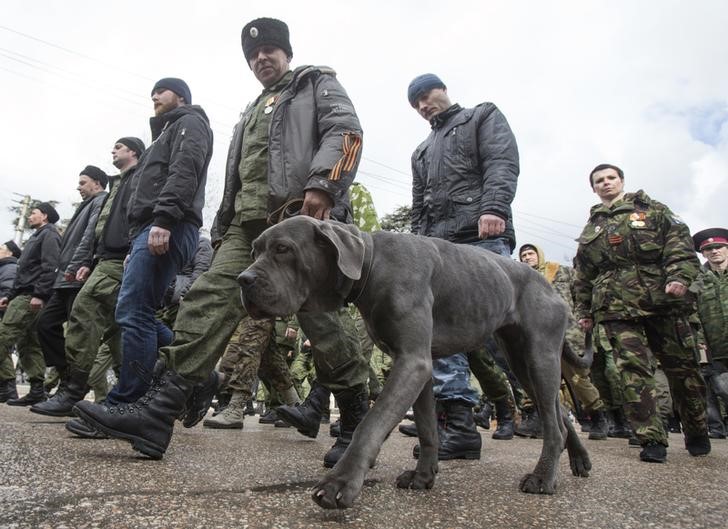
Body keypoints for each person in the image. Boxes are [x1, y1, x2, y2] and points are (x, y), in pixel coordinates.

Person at [75, 18, 369, 467]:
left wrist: (324, 185)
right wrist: (223, 223)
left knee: (319, 318)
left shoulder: (314, 83)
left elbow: (346, 132)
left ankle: (354, 418)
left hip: (300, 219)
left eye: (269, 49)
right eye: (253, 55)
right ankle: (158, 415)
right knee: (206, 301)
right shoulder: (250, 110)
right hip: (246, 229)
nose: (260, 58)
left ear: (285, 53)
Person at [407, 73, 519, 459]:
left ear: (443, 89)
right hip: (440, 250)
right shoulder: (421, 151)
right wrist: (416, 247)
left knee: (508, 330)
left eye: (426, 95)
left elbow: (501, 162)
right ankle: (459, 425)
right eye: (416, 103)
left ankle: (539, 407)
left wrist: (494, 207)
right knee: (438, 334)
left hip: (483, 236)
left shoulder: (480, 117)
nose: (424, 105)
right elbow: (419, 204)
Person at [573, 163, 710, 463]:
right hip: (615, 308)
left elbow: (680, 246)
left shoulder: (654, 211)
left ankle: (697, 429)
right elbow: (583, 274)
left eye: (611, 178)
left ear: (621, 181)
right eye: (599, 181)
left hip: (662, 301)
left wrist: (679, 277)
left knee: (682, 369)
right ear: (593, 187)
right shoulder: (591, 228)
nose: (606, 183)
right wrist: (584, 309)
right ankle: (651, 438)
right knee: (632, 373)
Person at [30, 139, 144, 426]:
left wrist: (128, 251)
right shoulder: (119, 184)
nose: (113, 151)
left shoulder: (138, 178)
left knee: (86, 312)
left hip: (118, 259)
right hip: (103, 260)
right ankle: (142, 392)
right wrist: (86, 262)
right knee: (121, 328)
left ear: (133, 152)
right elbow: (99, 231)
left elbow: (129, 220)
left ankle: (74, 390)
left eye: (119, 147)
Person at [31, 166, 108, 412]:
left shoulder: (100, 201)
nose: (79, 186)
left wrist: (79, 265)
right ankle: (67, 378)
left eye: (83, 182)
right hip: (64, 278)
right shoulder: (83, 206)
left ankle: (72, 388)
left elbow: (90, 235)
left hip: (77, 276)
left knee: (79, 334)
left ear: (97, 183)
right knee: (44, 324)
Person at [518, 243, 609, 440]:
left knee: (577, 378)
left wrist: (584, 318)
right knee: (536, 375)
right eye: (523, 255)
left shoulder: (561, 271)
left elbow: (580, 296)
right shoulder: (521, 279)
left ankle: (598, 416)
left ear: (539, 254)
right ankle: (535, 418)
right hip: (536, 334)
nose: (526, 257)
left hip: (566, 332)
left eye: (530, 253)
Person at [0, 203, 61, 405]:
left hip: (30, 296)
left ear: (44, 216)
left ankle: (20, 388)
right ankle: (36, 390)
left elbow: (50, 266)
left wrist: (40, 294)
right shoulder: (37, 236)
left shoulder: (49, 235)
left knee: (4, 336)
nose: (30, 217)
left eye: (33, 213)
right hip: (26, 294)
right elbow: (25, 271)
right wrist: (10, 294)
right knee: (28, 344)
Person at [692, 228, 728, 439]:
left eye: (719, 247)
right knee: (718, 388)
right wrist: (698, 340)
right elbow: (693, 312)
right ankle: (717, 428)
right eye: (709, 249)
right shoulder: (698, 280)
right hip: (714, 346)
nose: (714, 252)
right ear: (703, 254)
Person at [0, 240, 21, 402]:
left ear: (10, 253)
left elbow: (7, 290)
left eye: (2, 249)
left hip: (3, 313)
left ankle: (8, 388)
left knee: (3, 349)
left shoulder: (10, 268)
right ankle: (7, 389)